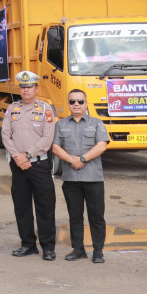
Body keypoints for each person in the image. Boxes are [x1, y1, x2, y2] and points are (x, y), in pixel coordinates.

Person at [1, 70, 57, 261]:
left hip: (39, 165)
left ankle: (48, 247)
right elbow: (5, 135)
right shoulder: (12, 109)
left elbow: (47, 138)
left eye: (29, 87)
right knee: (22, 206)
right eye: (23, 87)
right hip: (17, 165)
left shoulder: (45, 109)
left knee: (45, 207)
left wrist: (27, 155)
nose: (26, 90)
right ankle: (28, 245)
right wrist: (17, 156)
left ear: (36, 88)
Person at [51, 89, 109, 264]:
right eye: (72, 101)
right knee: (75, 216)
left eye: (80, 101)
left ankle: (98, 251)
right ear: (68, 104)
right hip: (71, 179)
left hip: (93, 179)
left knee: (96, 216)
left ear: (86, 104)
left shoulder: (97, 123)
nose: (76, 104)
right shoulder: (60, 125)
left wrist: (83, 159)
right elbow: (55, 147)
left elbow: (101, 146)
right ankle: (78, 249)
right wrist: (71, 160)